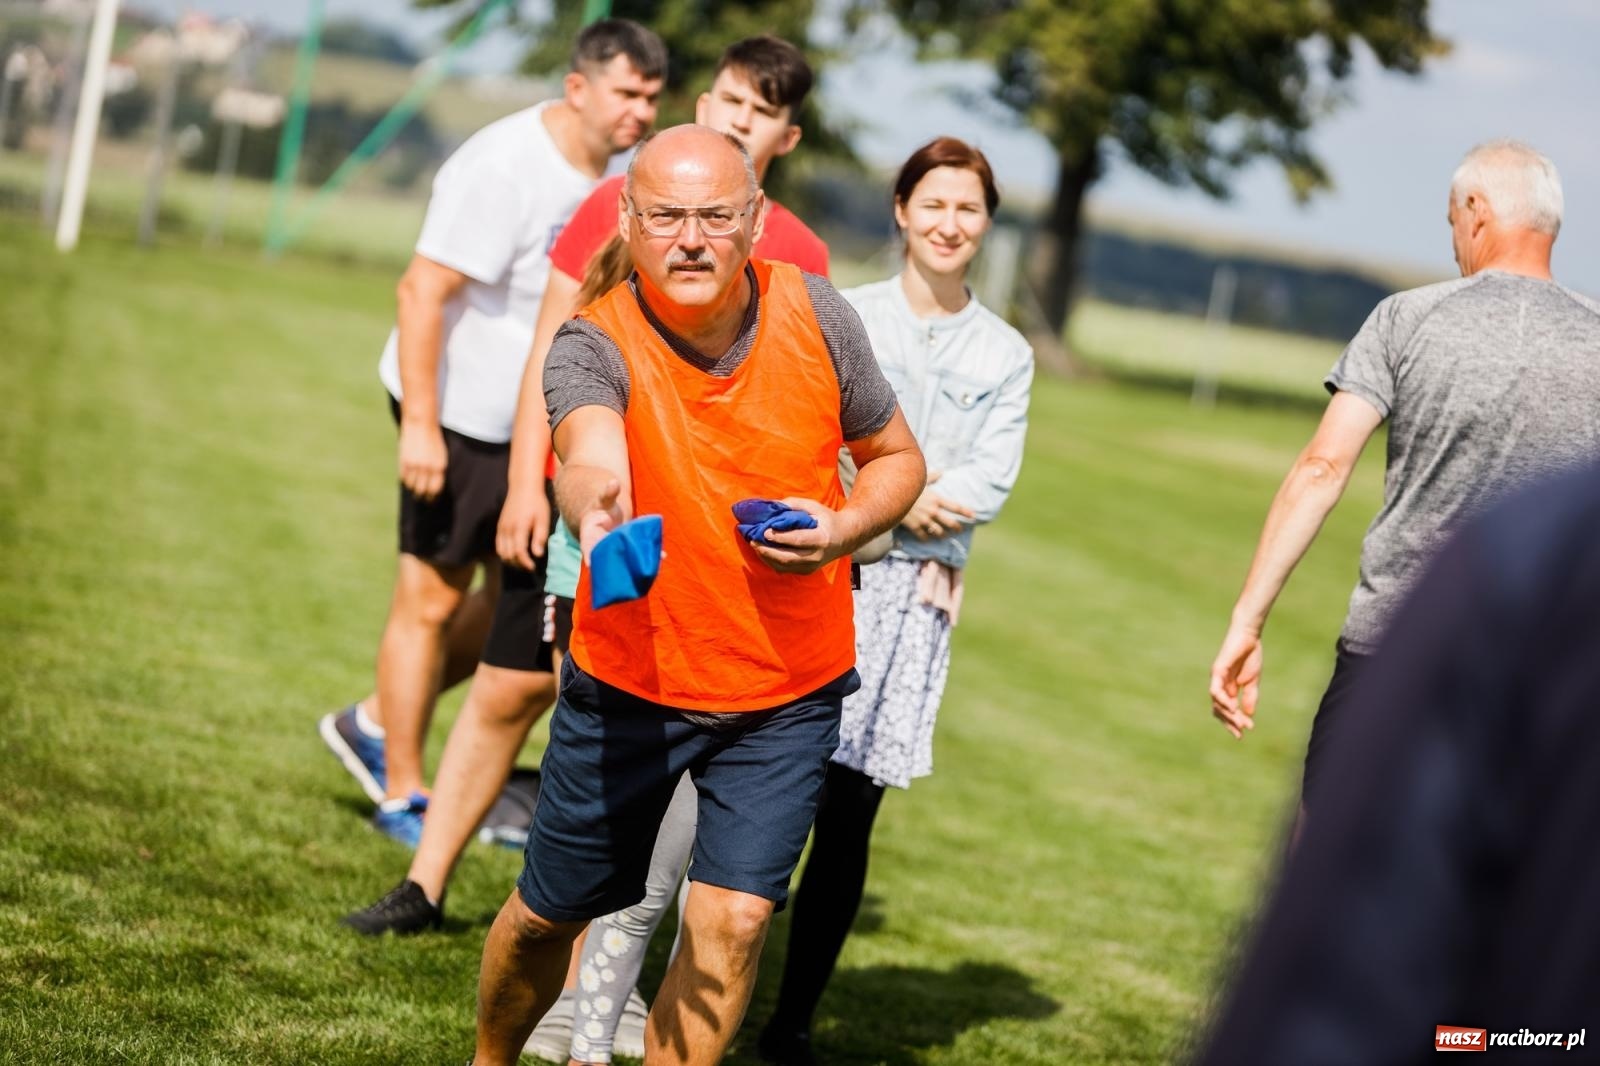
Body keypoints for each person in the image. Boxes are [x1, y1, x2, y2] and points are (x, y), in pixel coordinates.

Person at [470, 124, 926, 1066]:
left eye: (716, 216)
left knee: (733, 925)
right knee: (548, 918)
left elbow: (897, 458)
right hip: (631, 681)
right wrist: (595, 505)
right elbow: (587, 451)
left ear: (754, 222)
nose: (690, 238)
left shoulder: (821, 315)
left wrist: (841, 528)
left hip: (786, 691)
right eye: (667, 215)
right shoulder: (592, 341)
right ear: (629, 220)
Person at [504, 36, 833, 1066]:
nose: (737, 117)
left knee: (709, 881)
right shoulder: (616, 238)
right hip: (620, 585)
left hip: (760, 630)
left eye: (758, 109)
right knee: (604, 854)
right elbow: (578, 401)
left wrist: (846, 524)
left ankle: (595, 1013)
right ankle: (568, 1007)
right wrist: (572, 493)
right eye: (726, 97)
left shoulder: (808, 276)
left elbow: (842, 440)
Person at [316, 20, 666, 848]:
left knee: (515, 606)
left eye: (652, 96)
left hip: (540, 426)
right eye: (628, 94)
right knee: (430, 599)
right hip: (462, 417)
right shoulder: (503, 165)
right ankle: (402, 788)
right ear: (578, 88)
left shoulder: (624, 174)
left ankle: (372, 717)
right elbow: (419, 293)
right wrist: (424, 432)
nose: (642, 113)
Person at [1208, 139, 1600, 815]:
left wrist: (1248, 620)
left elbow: (1323, 466)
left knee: (1332, 886)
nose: (1452, 240)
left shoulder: (1406, 318)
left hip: (1397, 651)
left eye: (1451, 219)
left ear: (1476, 210)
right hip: (1549, 668)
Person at [755, 137, 1034, 1066]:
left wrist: (882, 494)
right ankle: (701, 981)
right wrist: (909, 494)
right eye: (935, 204)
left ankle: (792, 1019)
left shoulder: (1006, 353)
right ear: (903, 212)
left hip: (909, 603)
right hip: (820, 574)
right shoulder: (844, 314)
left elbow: (986, 487)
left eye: (970, 208)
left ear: (985, 223)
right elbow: (811, 445)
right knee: (762, 798)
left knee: (847, 816)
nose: (951, 224)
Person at [1194, 460, 1600, 1065]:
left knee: (1355, 931)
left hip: (1418, 648)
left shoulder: (1543, 547)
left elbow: (1321, 466)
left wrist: (1247, 618)